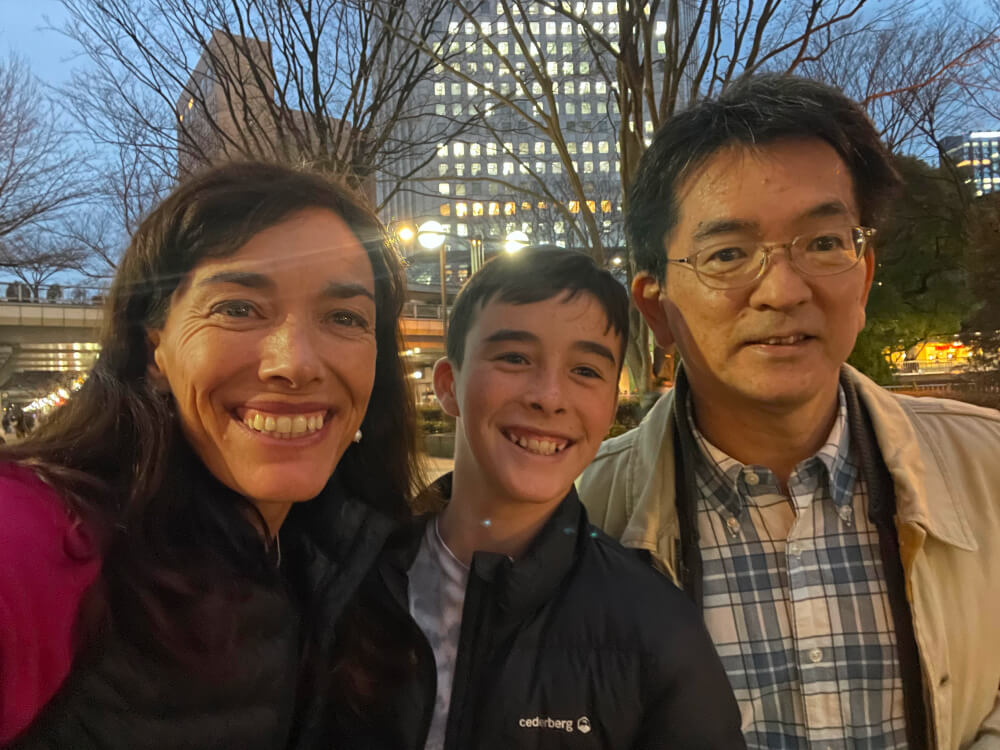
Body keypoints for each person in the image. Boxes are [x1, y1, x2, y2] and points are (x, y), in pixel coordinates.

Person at [577, 74, 1000, 750]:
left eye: (824, 243)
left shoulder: (986, 471)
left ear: (862, 276)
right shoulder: (583, 516)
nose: (782, 288)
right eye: (728, 255)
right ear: (657, 306)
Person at [0, 161, 420, 748]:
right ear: (155, 352)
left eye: (344, 317)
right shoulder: (45, 537)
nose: (294, 362)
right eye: (239, 308)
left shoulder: (354, 557)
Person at [330, 249, 745, 749]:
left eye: (586, 371)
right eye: (514, 358)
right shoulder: (347, 583)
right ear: (448, 386)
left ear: (611, 404)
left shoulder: (656, 628)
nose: (549, 396)